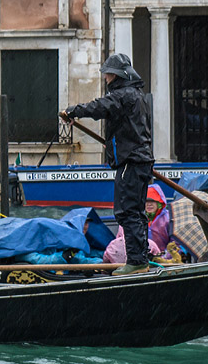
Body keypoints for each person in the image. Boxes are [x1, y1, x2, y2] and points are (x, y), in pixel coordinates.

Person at [64, 53, 154, 276]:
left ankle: (136, 262)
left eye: (107, 75)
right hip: (141, 160)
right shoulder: (137, 96)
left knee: (126, 212)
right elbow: (129, 129)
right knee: (138, 212)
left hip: (130, 162)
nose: (105, 79)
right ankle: (140, 260)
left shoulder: (123, 95)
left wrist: (73, 111)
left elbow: (99, 107)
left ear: (116, 75)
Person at [103, 184, 171, 264]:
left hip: (162, 261)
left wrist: (164, 258)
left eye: (153, 201)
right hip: (133, 259)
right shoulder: (130, 219)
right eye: (146, 201)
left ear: (159, 203)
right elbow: (120, 243)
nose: (149, 204)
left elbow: (175, 243)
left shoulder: (168, 219)